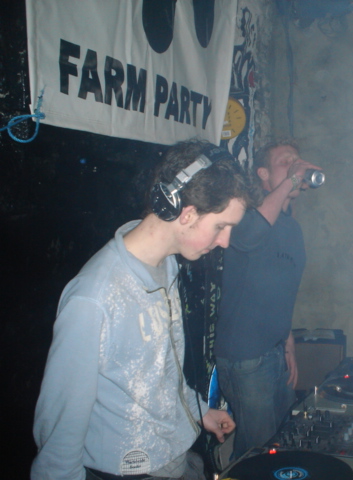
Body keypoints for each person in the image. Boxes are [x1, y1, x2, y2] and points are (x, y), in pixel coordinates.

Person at [31, 140, 257, 480]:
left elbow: (159, 368)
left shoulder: (167, 266)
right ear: (187, 213)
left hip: (175, 458)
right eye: (220, 226)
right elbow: (60, 425)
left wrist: (197, 409)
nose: (225, 241)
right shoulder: (94, 297)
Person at [213, 138, 322, 459]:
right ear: (263, 174)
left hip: (275, 351)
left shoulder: (291, 228)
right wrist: (291, 180)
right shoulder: (245, 218)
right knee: (256, 453)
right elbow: (248, 237)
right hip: (246, 356)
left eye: (297, 161)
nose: (295, 167)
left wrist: (288, 342)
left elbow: (280, 290)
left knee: (280, 443)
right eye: (285, 162)